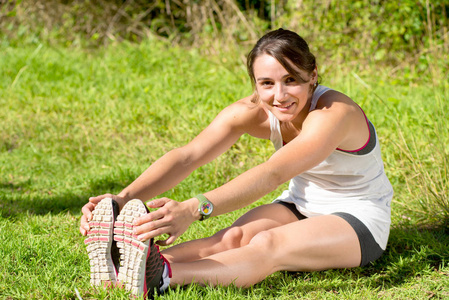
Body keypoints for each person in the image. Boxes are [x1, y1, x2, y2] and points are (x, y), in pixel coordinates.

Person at [80, 28, 393, 298]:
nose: (280, 95)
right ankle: (129, 265)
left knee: (268, 243)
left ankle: (161, 277)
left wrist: (194, 208)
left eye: (291, 80)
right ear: (255, 84)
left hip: (359, 219)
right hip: (300, 205)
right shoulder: (252, 111)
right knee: (232, 238)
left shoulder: (333, 113)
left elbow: (273, 172)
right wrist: (123, 199)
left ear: (312, 76)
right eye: (267, 83)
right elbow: (188, 156)